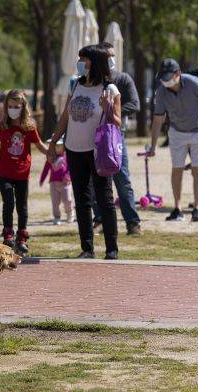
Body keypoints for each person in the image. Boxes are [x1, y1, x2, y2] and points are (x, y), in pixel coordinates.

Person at [48, 45, 121, 260]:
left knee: (104, 198)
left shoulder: (110, 89)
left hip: (98, 152)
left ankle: (111, 248)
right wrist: (53, 143)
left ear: (94, 63)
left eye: (83, 59)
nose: (79, 63)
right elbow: (65, 117)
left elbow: (117, 122)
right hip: (74, 149)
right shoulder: (76, 84)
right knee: (81, 199)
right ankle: (87, 248)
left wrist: (107, 107)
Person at [148, 58, 198, 222]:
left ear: (178, 74)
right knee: (177, 168)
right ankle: (178, 208)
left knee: (197, 169)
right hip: (177, 132)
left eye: (168, 76)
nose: (165, 80)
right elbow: (158, 119)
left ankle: (196, 209)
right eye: (162, 77)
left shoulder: (194, 83)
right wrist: (153, 146)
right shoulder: (161, 92)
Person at [92, 42, 142, 235]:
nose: (111, 60)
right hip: (94, 135)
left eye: (113, 56)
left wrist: (113, 109)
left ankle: (132, 222)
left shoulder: (123, 79)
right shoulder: (91, 80)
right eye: (107, 56)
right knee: (96, 179)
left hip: (116, 135)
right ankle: (99, 219)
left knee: (122, 178)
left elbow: (135, 104)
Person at [0, 89, 47, 254]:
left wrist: (52, 153)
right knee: (8, 203)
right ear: (6, 107)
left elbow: (40, 145)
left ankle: (22, 237)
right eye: (10, 106)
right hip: (4, 174)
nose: (13, 109)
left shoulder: (29, 128)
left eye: (17, 106)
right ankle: (8, 235)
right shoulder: (1, 126)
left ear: (23, 107)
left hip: (22, 174)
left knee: (22, 206)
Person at [39, 139, 74, 224]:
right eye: (55, 146)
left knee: (67, 200)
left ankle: (70, 213)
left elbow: (71, 168)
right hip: (53, 183)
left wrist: (68, 177)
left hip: (65, 183)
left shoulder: (67, 156)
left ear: (63, 146)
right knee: (55, 202)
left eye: (59, 146)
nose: (56, 148)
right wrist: (42, 179)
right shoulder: (50, 157)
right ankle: (57, 217)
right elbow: (46, 169)